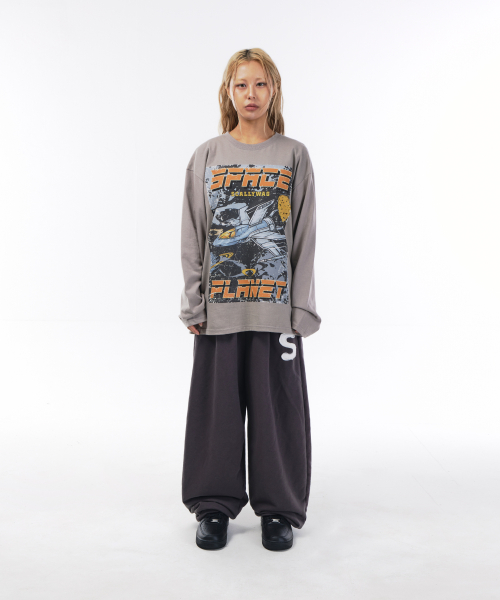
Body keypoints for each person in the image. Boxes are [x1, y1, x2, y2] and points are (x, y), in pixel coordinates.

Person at [178, 48, 321, 551]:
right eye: (242, 85)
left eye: (260, 84)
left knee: (277, 412)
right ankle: (213, 506)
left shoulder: (293, 155)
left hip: (275, 312)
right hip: (220, 310)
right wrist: (194, 302)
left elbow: (304, 236)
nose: (251, 94)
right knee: (215, 413)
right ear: (228, 92)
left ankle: (278, 508)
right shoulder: (207, 155)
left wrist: (300, 308)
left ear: (273, 89)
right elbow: (194, 233)